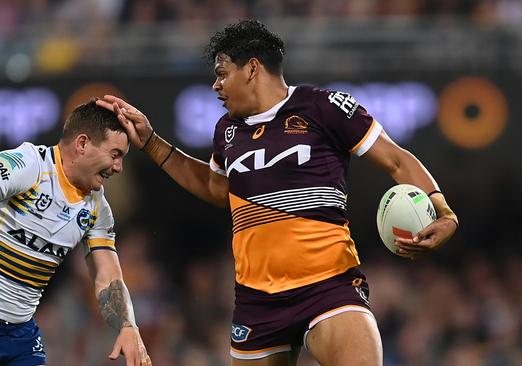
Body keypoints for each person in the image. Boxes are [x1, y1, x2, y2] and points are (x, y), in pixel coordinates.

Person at [97, 20, 458, 366]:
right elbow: (214, 187)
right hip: (258, 302)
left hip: (329, 286)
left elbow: (396, 160)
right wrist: (150, 143)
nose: (216, 86)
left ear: (252, 69)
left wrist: (443, 211)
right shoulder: (227, 131)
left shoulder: (323, 107)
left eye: (222, 74)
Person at [0, 99, 152, 366]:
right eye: (115, 154)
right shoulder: (26, 167)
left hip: (21, 337)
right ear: (82, 144)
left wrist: (128, 326)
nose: (118, 167)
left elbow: (107, 276)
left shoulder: (97, 209)